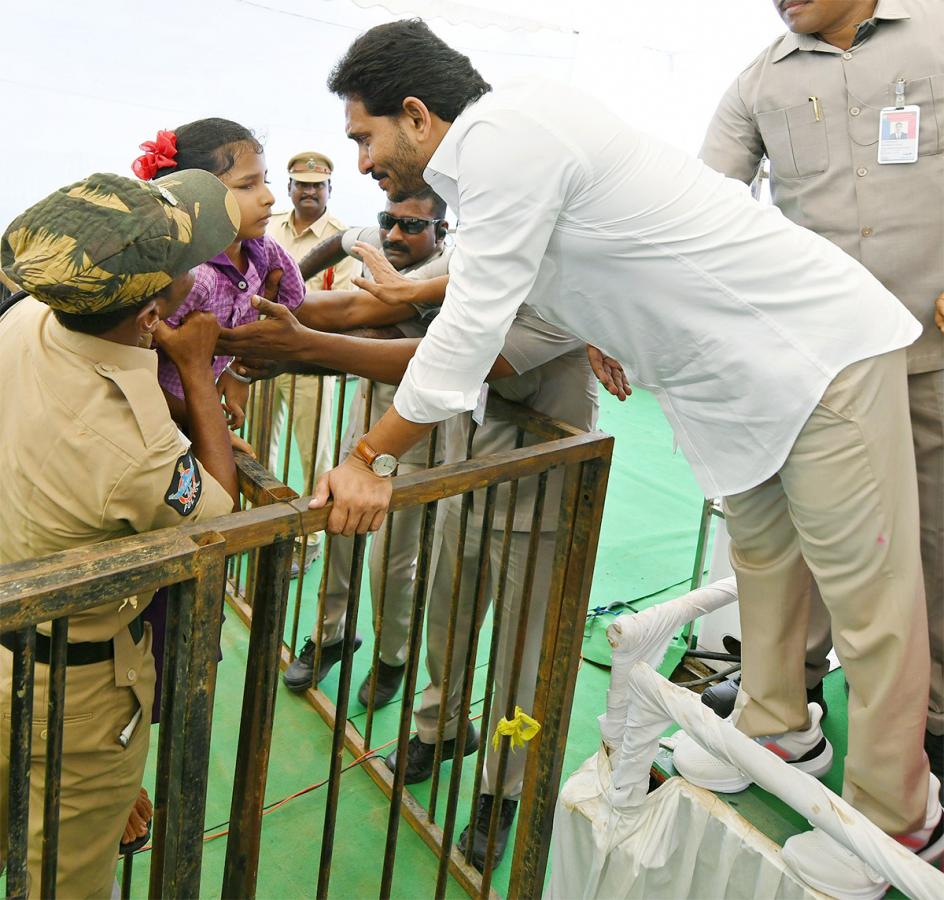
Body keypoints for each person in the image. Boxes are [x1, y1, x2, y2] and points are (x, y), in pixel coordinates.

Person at [296, 18, 942, 896]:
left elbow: (474, 320)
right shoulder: (510, 138)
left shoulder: (499, 139)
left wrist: (370, 454)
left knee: (870, 602)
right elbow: (555, 281)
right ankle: (776, 726)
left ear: (415, 114)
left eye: (363, 138)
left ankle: (896, 817)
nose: (364, 162)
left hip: (816, 354)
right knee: (765, 564)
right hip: (737, 379)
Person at [218, 288, 598, 870]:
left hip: (536, 508)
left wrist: (303, 347)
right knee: (447, 627)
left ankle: (503, 790)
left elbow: (449, 362)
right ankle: (439, 730)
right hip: (462, 486)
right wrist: (281, 347)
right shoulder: (479, 277)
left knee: (520, 666)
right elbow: (376, 319)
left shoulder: (566, 302)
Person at [698, 0, 944, 786]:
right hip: (823, 366)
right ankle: (789, 693)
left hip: (931, 349)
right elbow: (701, 199)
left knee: (933, 539)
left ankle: (931, 720)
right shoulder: (759, 82)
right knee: (813, 528)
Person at [0, 170, 239, 897]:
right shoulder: (134, 447)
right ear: (150, 309)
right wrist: (197, 374)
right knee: (62, 880)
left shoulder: (24, 324)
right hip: (73, 692)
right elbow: (219, 513)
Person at [280, 189, 451, 703]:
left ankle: (390, 657)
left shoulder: (453, 268)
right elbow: (338, 241)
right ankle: (332, 636)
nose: (395, 234)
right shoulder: (384, 240)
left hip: (416, 433)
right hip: (362, 423)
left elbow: (371, 330)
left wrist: (287, 344)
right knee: (337, 530)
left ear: (442, 232)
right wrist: (288, 274)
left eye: (412, 226)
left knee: (393, 561)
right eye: (388, 221)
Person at [130, 120, 307, 438]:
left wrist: (239, 369)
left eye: (265, 180)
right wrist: (204, 421)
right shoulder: (192, 281)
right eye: (247, 185)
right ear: (198, 197)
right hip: (156, 421)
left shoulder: (260, 248)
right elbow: (137, 372)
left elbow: (292, 295)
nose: (269, 197)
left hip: (198, 411)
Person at [267, 153, 359, 574]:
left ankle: (310, 538)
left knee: (313, 449)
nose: (308, 192)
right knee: (262, 443)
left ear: (328, 191)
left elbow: (340, 305)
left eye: (316, 186)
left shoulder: (342, 240)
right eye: (300, 184)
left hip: (310, 358)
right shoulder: (269, 227)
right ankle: (268, 525)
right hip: (263, 354)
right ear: (289, 188)